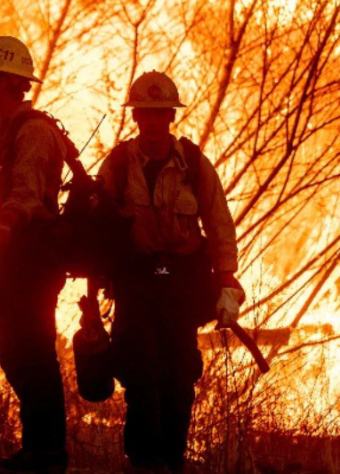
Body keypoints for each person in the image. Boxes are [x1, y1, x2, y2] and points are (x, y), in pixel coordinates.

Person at [97, 71, 244, 473]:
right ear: (135, 116)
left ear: (171, 116)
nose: (153, 121)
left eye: (160, 112)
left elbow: (219, 223)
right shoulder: (117, 165)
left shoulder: (194, 164)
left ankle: (172, 460)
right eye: (145, 112)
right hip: (135, 283)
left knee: (179, 375)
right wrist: (96, 286)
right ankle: (144, 461)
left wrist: (226, 280)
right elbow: (97, 227)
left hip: (181, 286)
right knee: (138, 371)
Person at [0, 36, 68, 474]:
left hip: (34, 255)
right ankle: (38, 450)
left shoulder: (34, 131)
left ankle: (47, 455)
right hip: (10, 254)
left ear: (6, 82)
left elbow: (27, 193)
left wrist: (4, 223)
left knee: (33, 352)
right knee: (13, 352)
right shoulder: (3, 129)